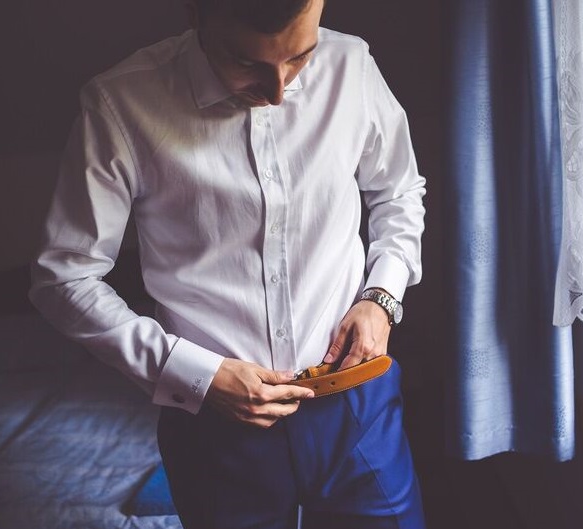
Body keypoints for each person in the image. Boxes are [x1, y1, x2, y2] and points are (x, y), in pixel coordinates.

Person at [29, 0, 426, 527]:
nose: (278, 90)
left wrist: (382, 298)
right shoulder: (121, 103)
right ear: (196, 13)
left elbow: (399, 192)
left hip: (357, 401)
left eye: (299, 58)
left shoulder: (352, 65)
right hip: (214, 426)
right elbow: (64, 277)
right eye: (246, 63)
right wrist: (193, 374)